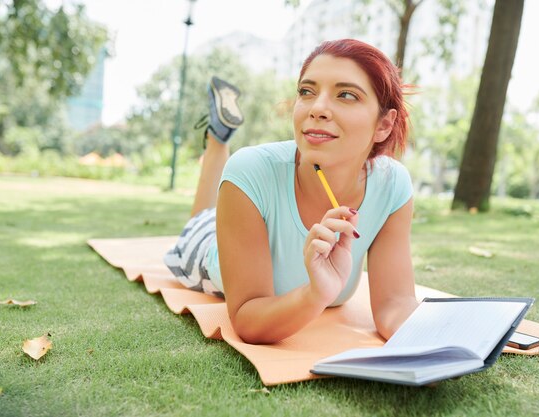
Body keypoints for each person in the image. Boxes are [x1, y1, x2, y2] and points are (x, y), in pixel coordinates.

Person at [164, 38, 418, 344]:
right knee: (202, 219)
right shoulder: (250, 168)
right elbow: (247, 317)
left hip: (249, 206)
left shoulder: (393, 187)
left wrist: (435, 343)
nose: (318, 108)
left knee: (214, 210)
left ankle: (219, 136)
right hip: (205, 251)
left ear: (385, 124)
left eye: (346, 95)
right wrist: (314, 295)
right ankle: (218, 139)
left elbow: (395, 304)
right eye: (307, 92)